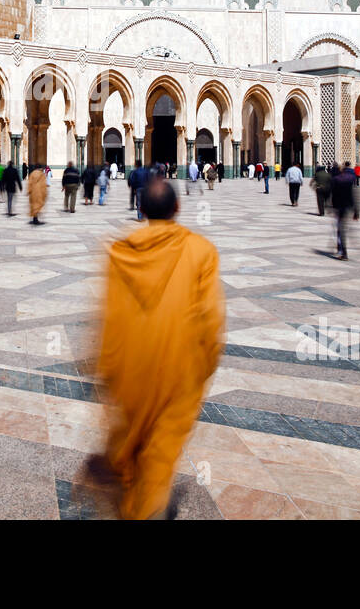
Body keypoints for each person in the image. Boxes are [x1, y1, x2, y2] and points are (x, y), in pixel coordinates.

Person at [91, 178, 225, 520]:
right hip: (177, 375)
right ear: (178, 209)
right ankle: (149, 509)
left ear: (141, 209)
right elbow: (211, 324)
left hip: (129, 375)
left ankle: (133, 505)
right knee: (160, 452)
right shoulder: (201, 251)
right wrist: (201, 370)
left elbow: (107, 317)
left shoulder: (119, 250)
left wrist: (107, 373)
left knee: (131, 449)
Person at [331, 164, 356, 260]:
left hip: (339, 207)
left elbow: (332, 194)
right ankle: (341, 249)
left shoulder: (336, 179)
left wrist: (332, 206)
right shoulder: (350, 180)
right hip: (348, 206)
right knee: (342, 228)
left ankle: (343, 251)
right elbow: (353, 195)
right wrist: (356, 211)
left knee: (340, 229)